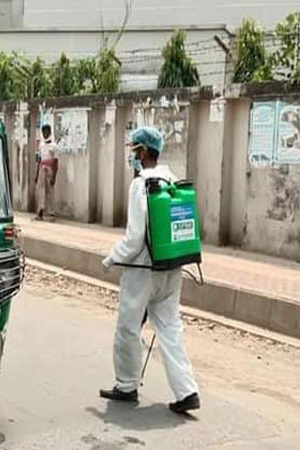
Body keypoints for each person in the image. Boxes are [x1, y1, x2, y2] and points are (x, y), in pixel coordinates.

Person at [99, 126, 200, 414]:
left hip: (141, 270)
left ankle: (127, 386)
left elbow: (133, 240)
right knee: (170, 329)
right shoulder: (172, 180)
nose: (132, 155)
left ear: (143, 152)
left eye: (134, 150)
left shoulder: (140, 185)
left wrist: (110, 259)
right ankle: (187, 390)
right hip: (171, 267)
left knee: (128, 328)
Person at [34, 123, 58, 221]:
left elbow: (56, 162)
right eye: (43, 132)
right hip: (42, 168)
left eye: (46, 132)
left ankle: (51, 213)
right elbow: (39, 159)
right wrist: (36, 174)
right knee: (41, 190)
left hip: (50, 169)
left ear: (50, 132)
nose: (45, 134)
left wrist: (54, 176)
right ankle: (40, 211)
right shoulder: (41, 145)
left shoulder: (54, 146)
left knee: (50, 191)